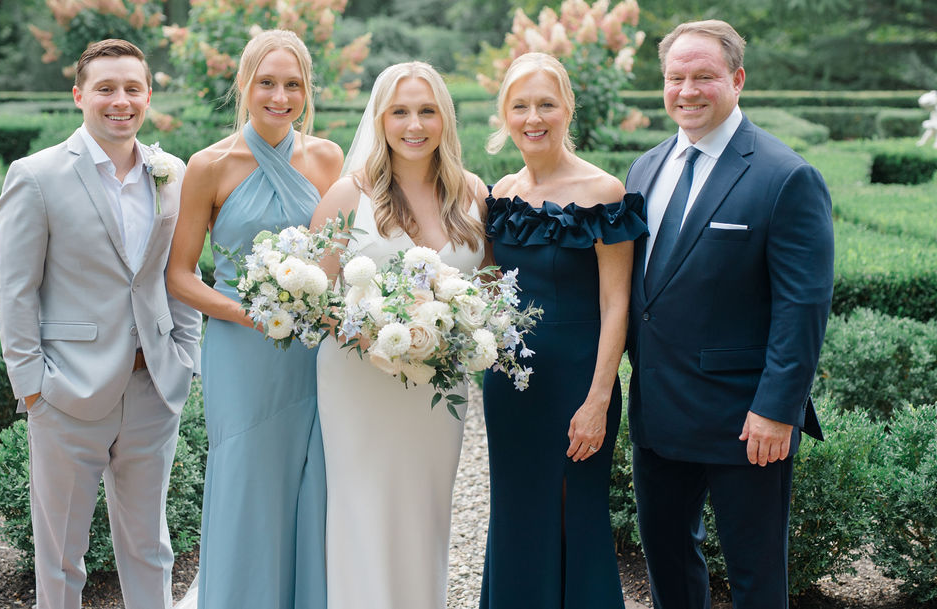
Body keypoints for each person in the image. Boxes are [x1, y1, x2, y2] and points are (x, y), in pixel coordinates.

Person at [625, 20, 833, 609]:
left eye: (704, 77)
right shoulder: (645, 168)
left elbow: (802, 306)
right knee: (667, 566)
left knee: (756, 576)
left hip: (746, 420)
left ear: (737, 80)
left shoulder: (785, 176)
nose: (687, 90)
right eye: (676, 77)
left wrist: (777, 410)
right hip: (657, 413)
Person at [0, 39, 202, 609]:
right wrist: (32, 388)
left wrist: (185, 358)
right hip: (67, 392)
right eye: (106, 88)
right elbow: (13, 289)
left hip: (153, 386)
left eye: (132, 88)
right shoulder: (36, 176)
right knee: (61, 557)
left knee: (151, 548)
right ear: (79, 95)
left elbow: (178, 272)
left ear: (148, 95)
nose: (120, 101)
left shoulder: (172, 174)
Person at [166, 30, 342, 608]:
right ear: (244, 84)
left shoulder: (327, 158)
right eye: (267, 82)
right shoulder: (209, 165)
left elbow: (339, 257)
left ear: (307, 90)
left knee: (311, 475)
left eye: (293, 84)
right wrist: (250, 315)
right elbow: (180, 275)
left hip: (311, 350)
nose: (279, 97)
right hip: (241, 349)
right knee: (246, 471)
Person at [309, 61, 488, 609]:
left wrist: (462, 327)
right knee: (361, 503)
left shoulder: (472, 193)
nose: (415, 125)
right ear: (381, 119)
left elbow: (491, 287)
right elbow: (314, 295)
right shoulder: (348, 195)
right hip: (359, 378)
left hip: (439, 386)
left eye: (427, 111)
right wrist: (371, 335)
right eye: (400, 112)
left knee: (426, 506)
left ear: (445, 118)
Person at [480, 52, 646, 609]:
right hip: (510, 384)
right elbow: (491, 288)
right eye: (520, 106)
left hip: (579, 383)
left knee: (577, 515)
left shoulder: (603, 192)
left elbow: (616, 303)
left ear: (567, 109)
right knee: (515, 512)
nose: (533, 118)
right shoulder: (501, 192)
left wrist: (598, 399)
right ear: (504, 115)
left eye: (546, 104)